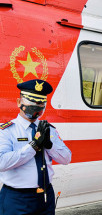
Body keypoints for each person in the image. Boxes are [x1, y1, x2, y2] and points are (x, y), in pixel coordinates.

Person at [0, 79, 72, 215]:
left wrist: (49, 145)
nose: (37, 107)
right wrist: (33, 146)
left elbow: (67, 158)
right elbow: (2, 163)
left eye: (41, 104)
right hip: (18, 198)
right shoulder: (6, 131)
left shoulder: (48, 129)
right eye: (32, 103)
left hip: (45, 196)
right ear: (19, 102)